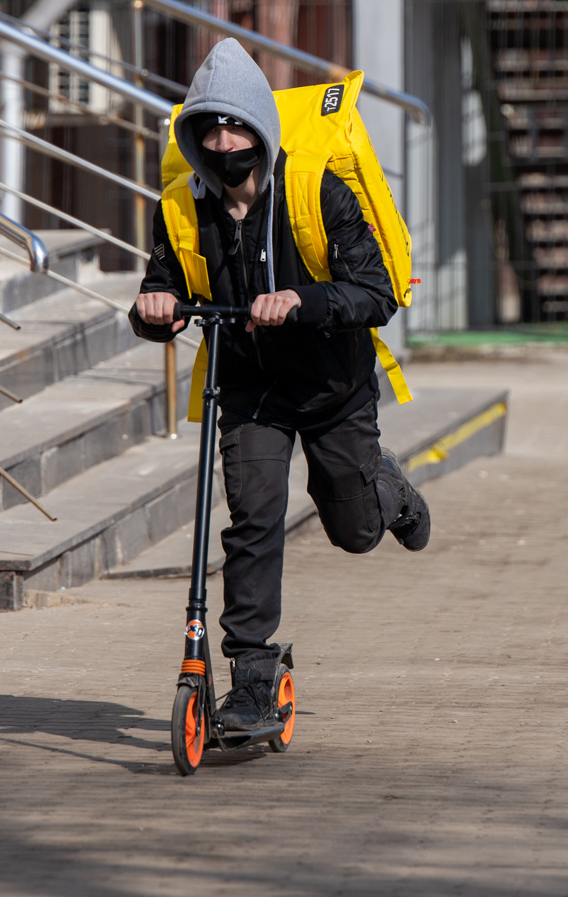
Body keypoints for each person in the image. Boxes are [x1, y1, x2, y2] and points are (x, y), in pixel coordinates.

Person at [130, 39, 430, 733]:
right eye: (210, 126)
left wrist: (301, 301)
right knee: (254, 524)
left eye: (235, 125)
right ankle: (250, 682)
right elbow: (161, 289)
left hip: (332, 387)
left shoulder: (318, 191)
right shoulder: (181, 207)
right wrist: (152, 311)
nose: (223, 140)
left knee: (354, 534)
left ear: (260, 128)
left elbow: (376, 294)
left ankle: (386, 486)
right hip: (248, 389)